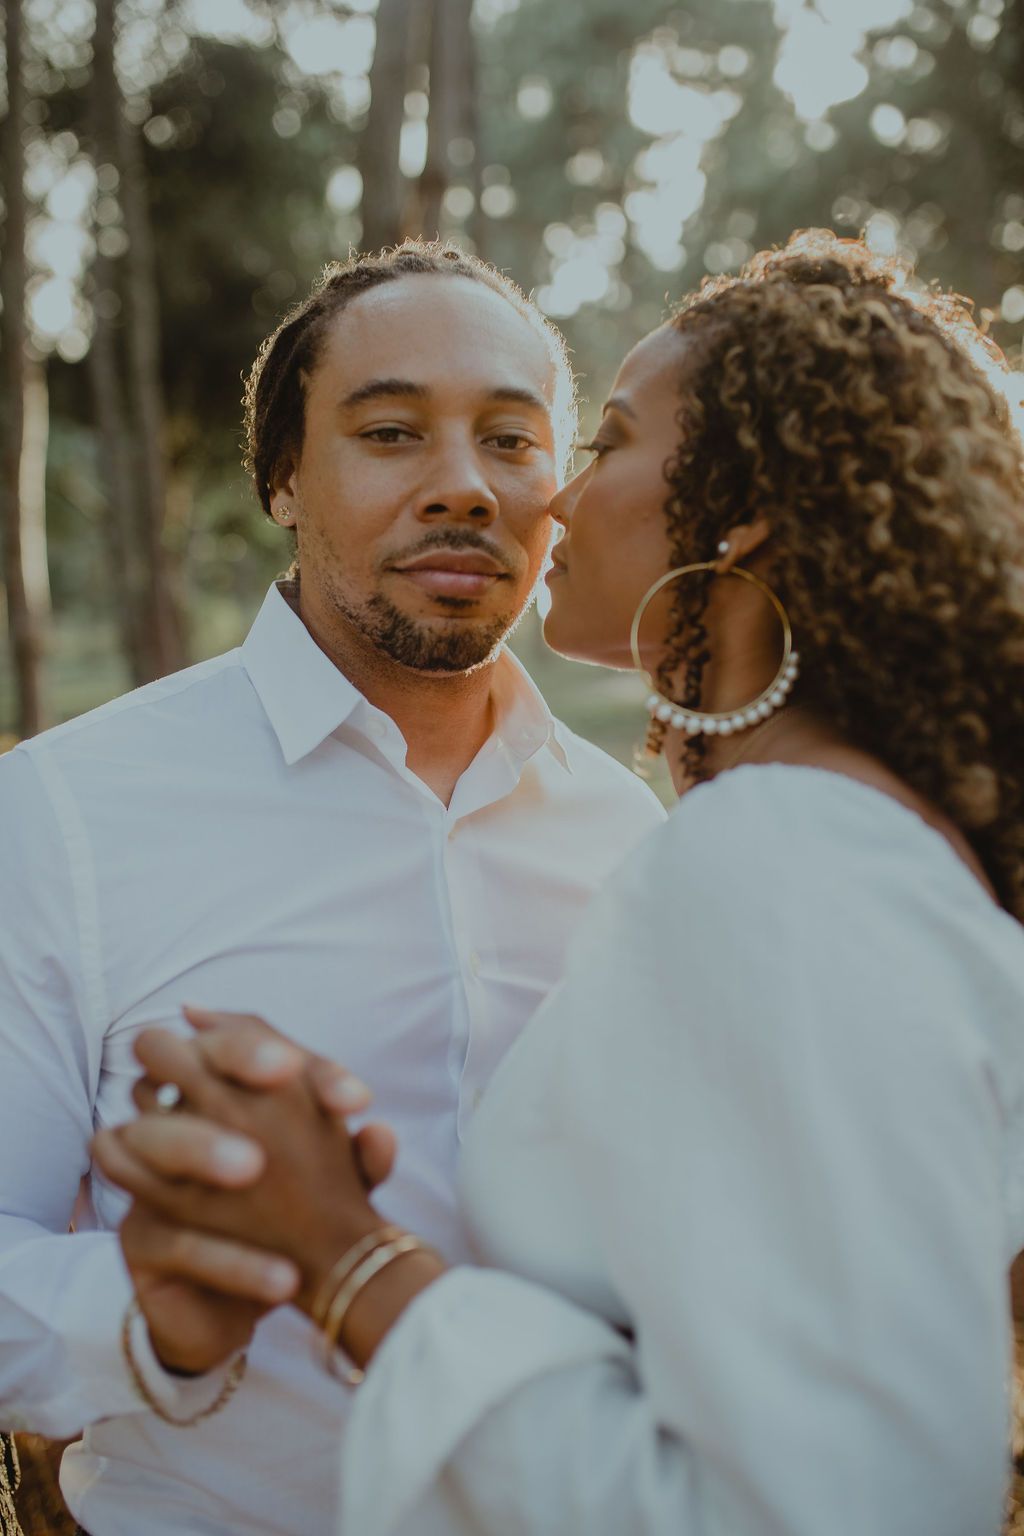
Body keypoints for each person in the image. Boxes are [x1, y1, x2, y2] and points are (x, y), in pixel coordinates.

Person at [98, 229, 1024, 1535]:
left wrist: (343, 1258)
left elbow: (830, 1508)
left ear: (745, 504)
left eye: (591, 444)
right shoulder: (834, 838)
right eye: (390, 433)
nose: (534, 502)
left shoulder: (775, 855)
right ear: (284, 479)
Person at [0, 242, 664, 1536]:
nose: (464, 488)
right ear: (284, 479)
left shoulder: (629, 837)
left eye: (514, 442)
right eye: (392, 432)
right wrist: (153, 1327)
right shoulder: (66, 814)